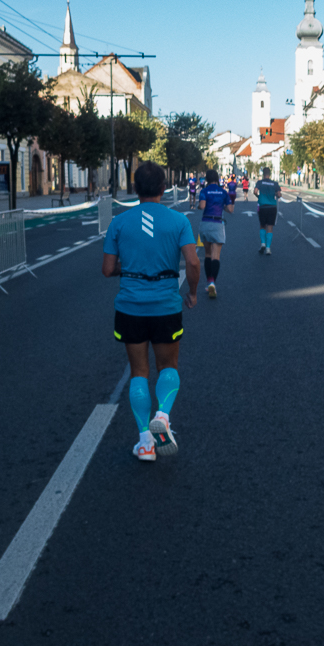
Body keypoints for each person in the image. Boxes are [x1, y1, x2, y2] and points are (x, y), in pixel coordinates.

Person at [102, 161, 200, 462]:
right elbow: (193, 263)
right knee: (168, 366)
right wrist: (193, 292)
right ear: (163, 188)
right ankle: (164, 415)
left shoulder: (118, 223)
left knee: (139, 372)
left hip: (130, 306)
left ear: (134, 189)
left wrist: (129, 269)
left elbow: (107, 270)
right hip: (165, 305)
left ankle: (145, 442)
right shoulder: (178, 221)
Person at [197, 168, 232, 298]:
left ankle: (208, 282)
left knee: (207, 253)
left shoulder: (204, 191)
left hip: (206, 223)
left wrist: (197, 206)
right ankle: (212, 282)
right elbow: (230, 209)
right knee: (215, 255)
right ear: (217, 179)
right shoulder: (223, 192)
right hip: (218, 223)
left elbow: (202, 206)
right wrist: (222, 205)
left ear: (206, 179)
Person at [253, 166, 281, 255]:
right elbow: (279, 194)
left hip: (262, 206)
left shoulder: (260, 182)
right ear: (270, 174)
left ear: (263, 174)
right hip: (272, 207)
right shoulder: (275, 183)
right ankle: (268, 248)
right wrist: (276, 194)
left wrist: (259, 197)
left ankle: (263, 243)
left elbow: (255, 191)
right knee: (270, 227)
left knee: (262, 225)